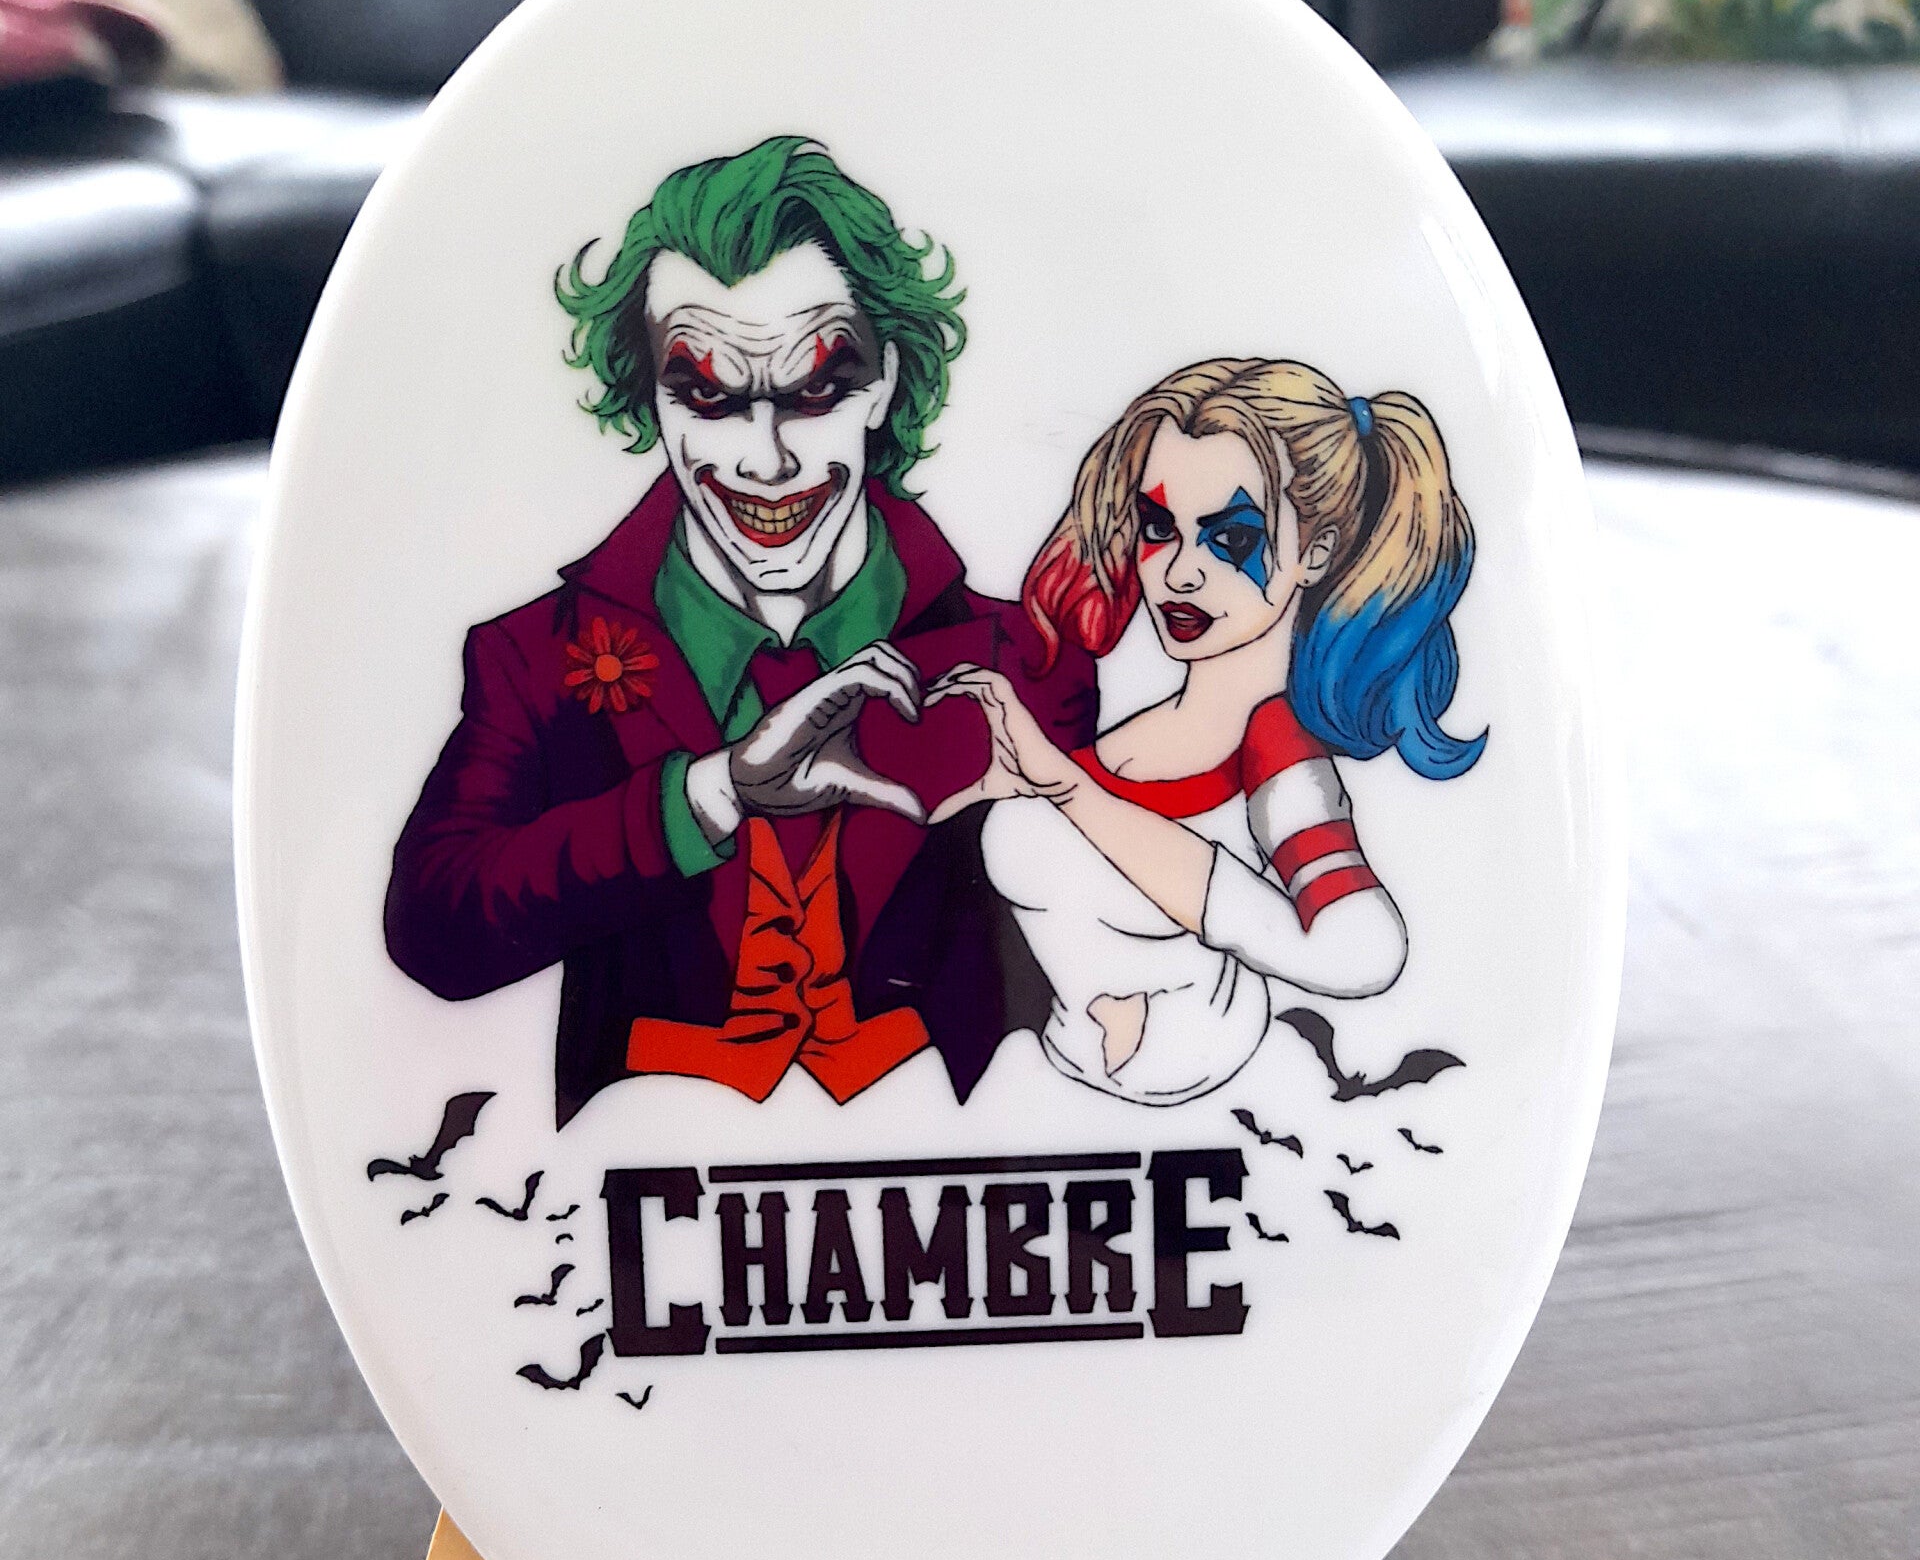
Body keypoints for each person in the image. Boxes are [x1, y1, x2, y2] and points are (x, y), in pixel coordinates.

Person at [386, 136, 1093, 1123]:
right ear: (650, 393)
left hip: (959, 1186)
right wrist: (709, 795)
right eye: (709, 396)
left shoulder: (1025, 658)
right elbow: (434, 934)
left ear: (887, 379)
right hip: (638, 1188)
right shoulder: (535, 657)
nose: (766, 462)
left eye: (816, 390)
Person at [930, 358, 1483, 1105]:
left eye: (1232, 538)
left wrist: (1069, 794)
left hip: (1235, 1125)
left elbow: (1363, 951)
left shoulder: (1279, 752)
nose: (1180, 572)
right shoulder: (1121, 735)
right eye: (1161, 528)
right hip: (1044, 1100)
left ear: (1316, 553)